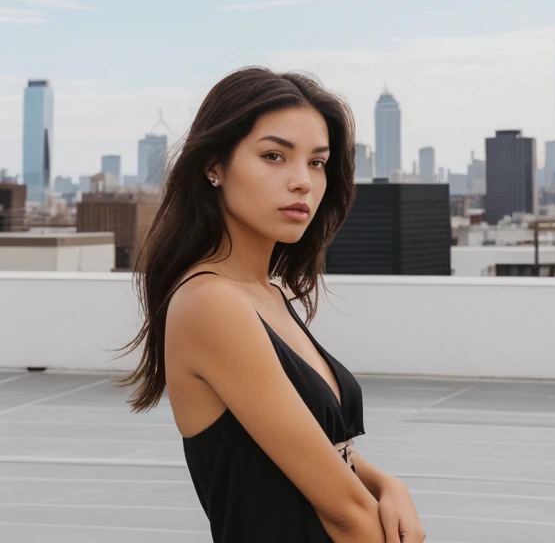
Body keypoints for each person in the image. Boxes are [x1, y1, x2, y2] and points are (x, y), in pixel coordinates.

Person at [120, 66, 425, 543]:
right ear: (214, 166)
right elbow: (345, 515)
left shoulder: (268, 293)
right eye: (274, 156)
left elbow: (316, 447)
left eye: (317, 162)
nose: (302, 181)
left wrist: (387, 483)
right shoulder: (211, 304)